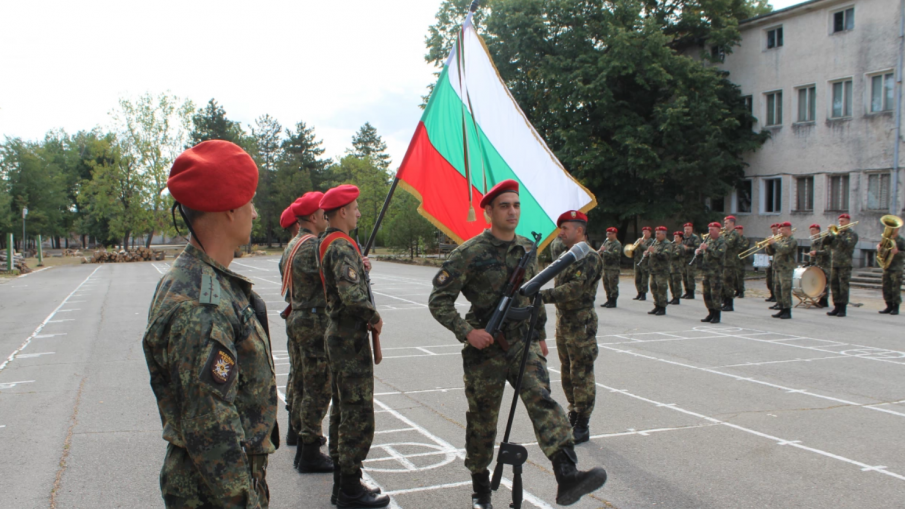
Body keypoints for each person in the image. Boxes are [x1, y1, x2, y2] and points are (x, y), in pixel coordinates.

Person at [428, 180, 607, 509]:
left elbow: (533, 295)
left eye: (516, 205)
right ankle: (480, 489)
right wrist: (468, 332)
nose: (512, 211)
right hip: (486, 346)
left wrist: (538, 334)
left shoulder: (527, 247)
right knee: (483, 420)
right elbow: (439, 301)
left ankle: (567, 474)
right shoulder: (469, 253)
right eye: (504, 206)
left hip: (524, 343)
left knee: (544, 401)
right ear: (489, 212)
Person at [142, 140, 278, 509]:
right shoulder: (203, 305)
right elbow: (211, 428)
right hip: (215, 492)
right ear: (229, 209)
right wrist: (242, 499)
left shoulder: (205, 282)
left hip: (219, 484)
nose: (254, 212)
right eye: (249, 202)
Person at [318, 185, 389, 508]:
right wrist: (373, 316)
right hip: (349, 338)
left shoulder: (332, 243)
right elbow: (351, 296)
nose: (359, 213)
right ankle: (349, 488)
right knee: (357, 413)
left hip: (339, 336)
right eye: (355, 208)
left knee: (342, 410)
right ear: (342, 212)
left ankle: (342, 483)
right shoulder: (341, 247)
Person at [279, 192, 337, 474]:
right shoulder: (313, 246)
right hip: (314, 321)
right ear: (313, 217)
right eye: (323, 212)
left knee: (301, 382)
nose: (327, 216)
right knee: (317, 386)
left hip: (298, 317)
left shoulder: (293, 244)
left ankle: (302, 443)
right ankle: (311, 451)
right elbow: (335, 278)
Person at [540, 210, 602, 444]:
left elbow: (575, 289)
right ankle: (574, 412)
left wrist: (539, 295)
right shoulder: (568, 254)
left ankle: (583, 423)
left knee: (581, 373)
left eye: (565, 228)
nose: (561, 233)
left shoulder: (589, 257)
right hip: (565, 322)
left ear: (579, 230)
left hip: (581, 324)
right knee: (567, 371)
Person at [278, 199, 304, 447]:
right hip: (303, 317)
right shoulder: (301, 248)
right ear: (298, 225)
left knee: (295, 373)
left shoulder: (288, 250)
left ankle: (293, 430)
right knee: (303, 376)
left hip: (293, 315)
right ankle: (299, 430)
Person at [825, 213, 859, 317]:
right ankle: (836, 306)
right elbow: (826, 243)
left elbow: (848, 245)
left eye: (842, 221)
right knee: (834, 286)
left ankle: (843, 308)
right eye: (839, 221)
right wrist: (829, 234)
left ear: (848, 222)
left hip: (845, 264)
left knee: (843, 286)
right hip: (834, 263)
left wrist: (838, 234)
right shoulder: (836, 234)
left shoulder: (852, 234)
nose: (840, 223)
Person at [765, 222, 797, 319]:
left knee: (785, 290)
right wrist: (769, 245)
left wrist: (774, 243)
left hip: (786, 269)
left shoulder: (792, 240)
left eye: (782, 229)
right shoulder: (781, 239)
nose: (780, 231)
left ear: (788, 229)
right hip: (777, 268)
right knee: (777, 289)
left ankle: (787, 310)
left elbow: (784, 250)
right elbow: (771, 252)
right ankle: (781, 308)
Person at [698, 222, 726, 324]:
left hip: (716, 272)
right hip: (706, 271)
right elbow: (706, 256)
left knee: (715, 294)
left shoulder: (722, 241)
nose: (710, 232)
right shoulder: (708, 240)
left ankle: (717, 315)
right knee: (706, 294)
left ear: (718, 230)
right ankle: (711, 312)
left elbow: (718, 254)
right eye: (709, 229)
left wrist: (707, 249)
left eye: (712, 229)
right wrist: (699, 252)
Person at [878, 225, 904, 315]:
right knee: (886, 286)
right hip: (887, 266)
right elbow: (882, 252)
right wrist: (879, 248)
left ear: (897, 229)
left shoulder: (901, 240)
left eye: (893, 228)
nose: (890, 230)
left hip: (896, 267)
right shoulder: (886, 239)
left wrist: (898, 252)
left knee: (895, 287)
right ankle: (888, 305)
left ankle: (895, 307)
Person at [721, 216, 744, 312]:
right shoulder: (726, 233)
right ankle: (725, 302)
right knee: (724, 284)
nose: (724, 225)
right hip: (724, 262)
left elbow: (727, 244)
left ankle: (729, 304)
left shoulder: (734, 234)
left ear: (732, 223)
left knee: (729, 284)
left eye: (726, 223)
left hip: (730, 263)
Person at [646, 226, 671, 316]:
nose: (656, 236)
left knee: (661, 289)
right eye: (656, 233)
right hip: (653, 270)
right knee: (654, 288)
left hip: (662, 271)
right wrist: (648, 253)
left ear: (663, 234)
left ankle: (662, 307)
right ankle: (657, 305)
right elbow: (653, 255)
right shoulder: (655, 242)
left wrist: (654, 252)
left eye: (658, 234)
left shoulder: (667, 244)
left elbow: (665, 256)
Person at [807, 224, 831, 308]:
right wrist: (811, 262)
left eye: (813, 230)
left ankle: (824, 300)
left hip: (825, 264)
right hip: (817, 264)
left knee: (825, 282)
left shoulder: (824, 239)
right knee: (819, 282)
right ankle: (820, 299)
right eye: (810, 230)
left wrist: (817, 252)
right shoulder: (814, 241)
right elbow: (813, 252)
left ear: (818, 230)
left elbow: (827, 251)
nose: (811, 232)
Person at [598, 227, 622, 308]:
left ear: (614, 234)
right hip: (606, 267)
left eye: (610, 234)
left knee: (613, 285)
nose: (608, 235)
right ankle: (608, 299)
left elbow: (615, 255)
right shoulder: (607, 242)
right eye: (607, 233)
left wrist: (605, 251)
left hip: (613, 268)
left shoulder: (617, 244)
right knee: (606, 284)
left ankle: (613, 301)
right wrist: (600, 252)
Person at [632, 227, 654, 300]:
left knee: (644, 278)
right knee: (637, 278)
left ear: (650, 233)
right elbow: (633, 249)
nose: (644, 233)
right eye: (643, 232)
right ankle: (639, 292)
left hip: (645, 262)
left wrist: (641, 244)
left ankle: (643, 294)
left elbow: (648, 249)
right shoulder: (639, 240)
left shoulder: (652, 241)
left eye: (646, 232)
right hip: (637, 261)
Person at [681, 223, 702, 299]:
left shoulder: (695, 237)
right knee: (684, 276)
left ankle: (691, 292)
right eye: (685, 229)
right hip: (683, 260)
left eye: (688, 229)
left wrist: (688, 248)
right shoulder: (682, 237)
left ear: (691, 229)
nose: (686, 231)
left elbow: (698, 249)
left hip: (691, 260)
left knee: (690, 276)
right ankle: (687, 291)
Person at [668, 231, 685, 305]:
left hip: (677, 268)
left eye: (677, 237)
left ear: (681, 238)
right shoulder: (672, 245)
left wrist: (667, 252)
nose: (675, 238)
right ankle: (673, 296)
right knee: (671, 283)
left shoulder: (681, 246)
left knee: (676, 283)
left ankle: (677, 298)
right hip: (671, 267)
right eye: (674, 237)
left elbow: (675, 255)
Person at [765, 223, 780, 303]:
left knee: (775, 280)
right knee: (769, 279)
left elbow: (779, 249)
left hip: (777, 262)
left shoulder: (779, 239)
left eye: (775, 229)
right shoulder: (771, 238)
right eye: (772, 229)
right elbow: (769, 252)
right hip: (770, 261)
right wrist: (768, 246)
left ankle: (776, 296)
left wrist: (773, 243)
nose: (774, 230)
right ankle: (772, 294)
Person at [734, 225, 749, 298]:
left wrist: (735, 247)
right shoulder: (734, 238)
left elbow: (743, 247)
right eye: (735, 230)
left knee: (740, 277)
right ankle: (736, 290)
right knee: (734, 277)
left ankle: (741, 291)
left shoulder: (744, 239)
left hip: (741, 261)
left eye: (738, 230)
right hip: (734, 260)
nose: (737, 232)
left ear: (741, 231)